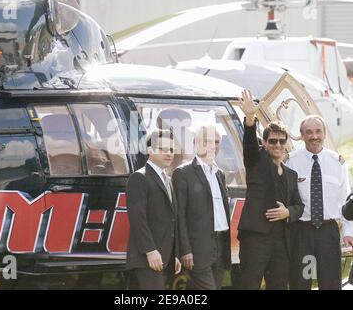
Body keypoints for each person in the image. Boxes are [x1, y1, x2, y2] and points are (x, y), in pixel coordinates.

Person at [237, 90, 304, 290]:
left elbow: (299, 206)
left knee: (279, 285)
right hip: (255, 237)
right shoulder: (256, 160)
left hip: (281, 241)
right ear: (264, 143)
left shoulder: (291, 174)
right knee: (249, 284)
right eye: (272, 141)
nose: (277, 145)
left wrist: (288, 212)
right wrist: (250, 117)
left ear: (286, 144)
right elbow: (249, 143)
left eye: (281, 141)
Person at [286, 115, 353, 290]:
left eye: (318, 131)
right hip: (301, 231)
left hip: (328, 231)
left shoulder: (338, 163)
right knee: (300, 282)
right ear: (302, 136)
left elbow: (347, 203)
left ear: (324, 133)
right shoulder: (291, 162)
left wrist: (348, 232)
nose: (314, 136)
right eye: (308, 132)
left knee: (331, 283)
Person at [172, 125, 231, 290]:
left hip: (221, 246)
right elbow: (179, 216)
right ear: (195, 143)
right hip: (197, 249)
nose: (213, 145)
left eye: (217, 141)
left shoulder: (220, 174)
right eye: (207, 141)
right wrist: (185, 250)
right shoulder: (183, 173)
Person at [126, 129, 181, 290]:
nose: (169, 154)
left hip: (165, 257)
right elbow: (137, 218)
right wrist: (150, 251)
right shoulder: (139, 177)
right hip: (147, 257)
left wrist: (175, 254)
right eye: (163, 149)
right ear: (150, 151)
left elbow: (172, 219)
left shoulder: (168, 180)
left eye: (171, 149)